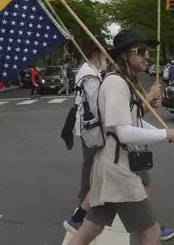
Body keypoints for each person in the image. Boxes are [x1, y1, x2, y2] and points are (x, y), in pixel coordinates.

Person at [68, 29, 174, 245]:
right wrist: (168, 133)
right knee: (151, 233)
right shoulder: (116, 83)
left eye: (147, 52)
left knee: (90, 228)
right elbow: (123, 132)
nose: (147, 56)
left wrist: (171, 136)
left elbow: (132, 122)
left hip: (111, 166)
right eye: (141, 51)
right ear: (125, 55)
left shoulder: (124, 82)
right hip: (119, 169)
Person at [63, 36, 109, 233]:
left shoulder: (90, 71)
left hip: (89, 127)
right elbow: (96, 103)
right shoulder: (89, 74)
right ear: (97, 52)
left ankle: (85, 201)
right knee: (92, 164)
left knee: (93, 164)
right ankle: (84, 202)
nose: (106, 54)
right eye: (104, 51)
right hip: (92, 128)